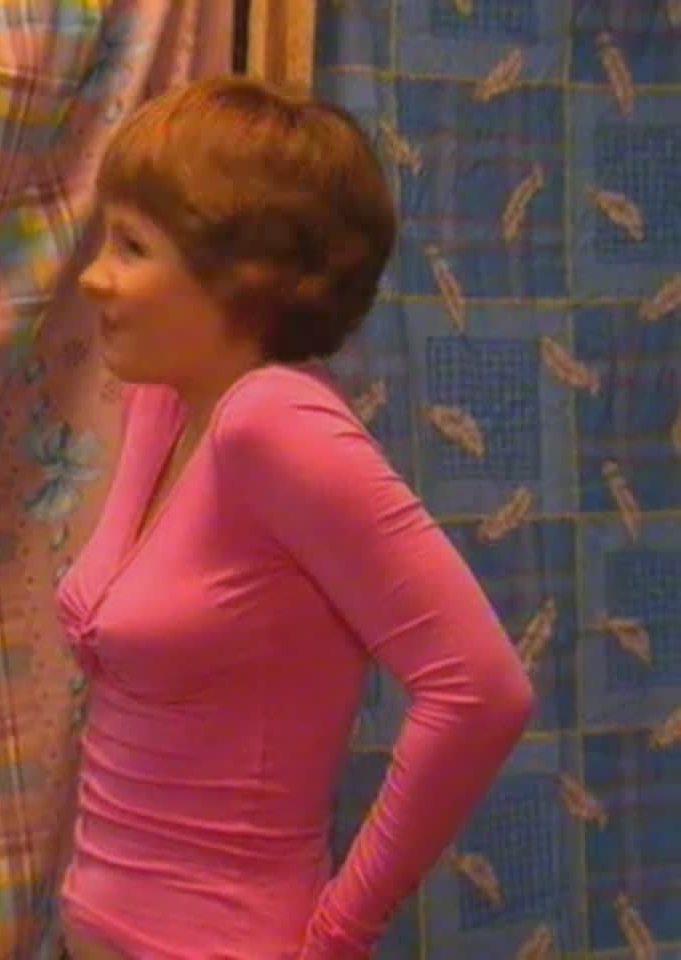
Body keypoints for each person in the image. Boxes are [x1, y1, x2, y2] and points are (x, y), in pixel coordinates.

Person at [53, 75, 535, 959]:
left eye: (131, 245)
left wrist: (340, 931)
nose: (94, 276)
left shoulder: (275, 423)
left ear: (245, 279)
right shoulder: (165, 404)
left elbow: (482, 690)